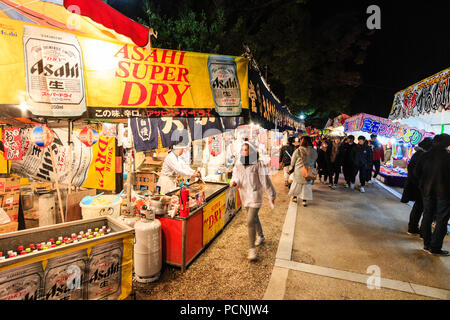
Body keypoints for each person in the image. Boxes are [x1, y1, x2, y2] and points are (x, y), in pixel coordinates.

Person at [230, 142, 276, 261]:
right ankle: (261, 235)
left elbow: (265, 180)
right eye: (242, 149)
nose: (243, 152)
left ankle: (251, 250)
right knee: (254, 218)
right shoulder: (239, 163)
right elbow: (236, 175)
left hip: (255, 196)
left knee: (250, 220)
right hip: (244, 195)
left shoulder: (258, 163)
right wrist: (234, 181)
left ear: (251, 151)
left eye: (246, 150)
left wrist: (271, 194)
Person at [414, 134, 450, 256]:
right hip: (444, 193)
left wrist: (423, 183)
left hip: (427, 191)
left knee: (427, 216)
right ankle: (435, 247)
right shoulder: (448, 157)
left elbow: (416, 172)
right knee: (441, 220)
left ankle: (426, 244)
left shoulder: (425, 155)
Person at [401, 137, 433, 236]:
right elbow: (417, 172)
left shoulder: (418, 153)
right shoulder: (422, 155)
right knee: (420, 207)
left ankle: (413, 227)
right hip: (419, 186)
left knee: (418, 207)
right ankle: (414, 228)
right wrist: (421, 184)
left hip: (416, 185)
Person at [288, 136, 318, 207]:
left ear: (302, 141)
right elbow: (315, 159)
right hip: (308, 171)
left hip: (299, 171)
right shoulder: (313, 151)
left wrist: (291, 167)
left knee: (296, 184)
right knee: (306, 186)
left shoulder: (298, 150)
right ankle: (304, 201)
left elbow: (292, 162)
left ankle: (295, 197)